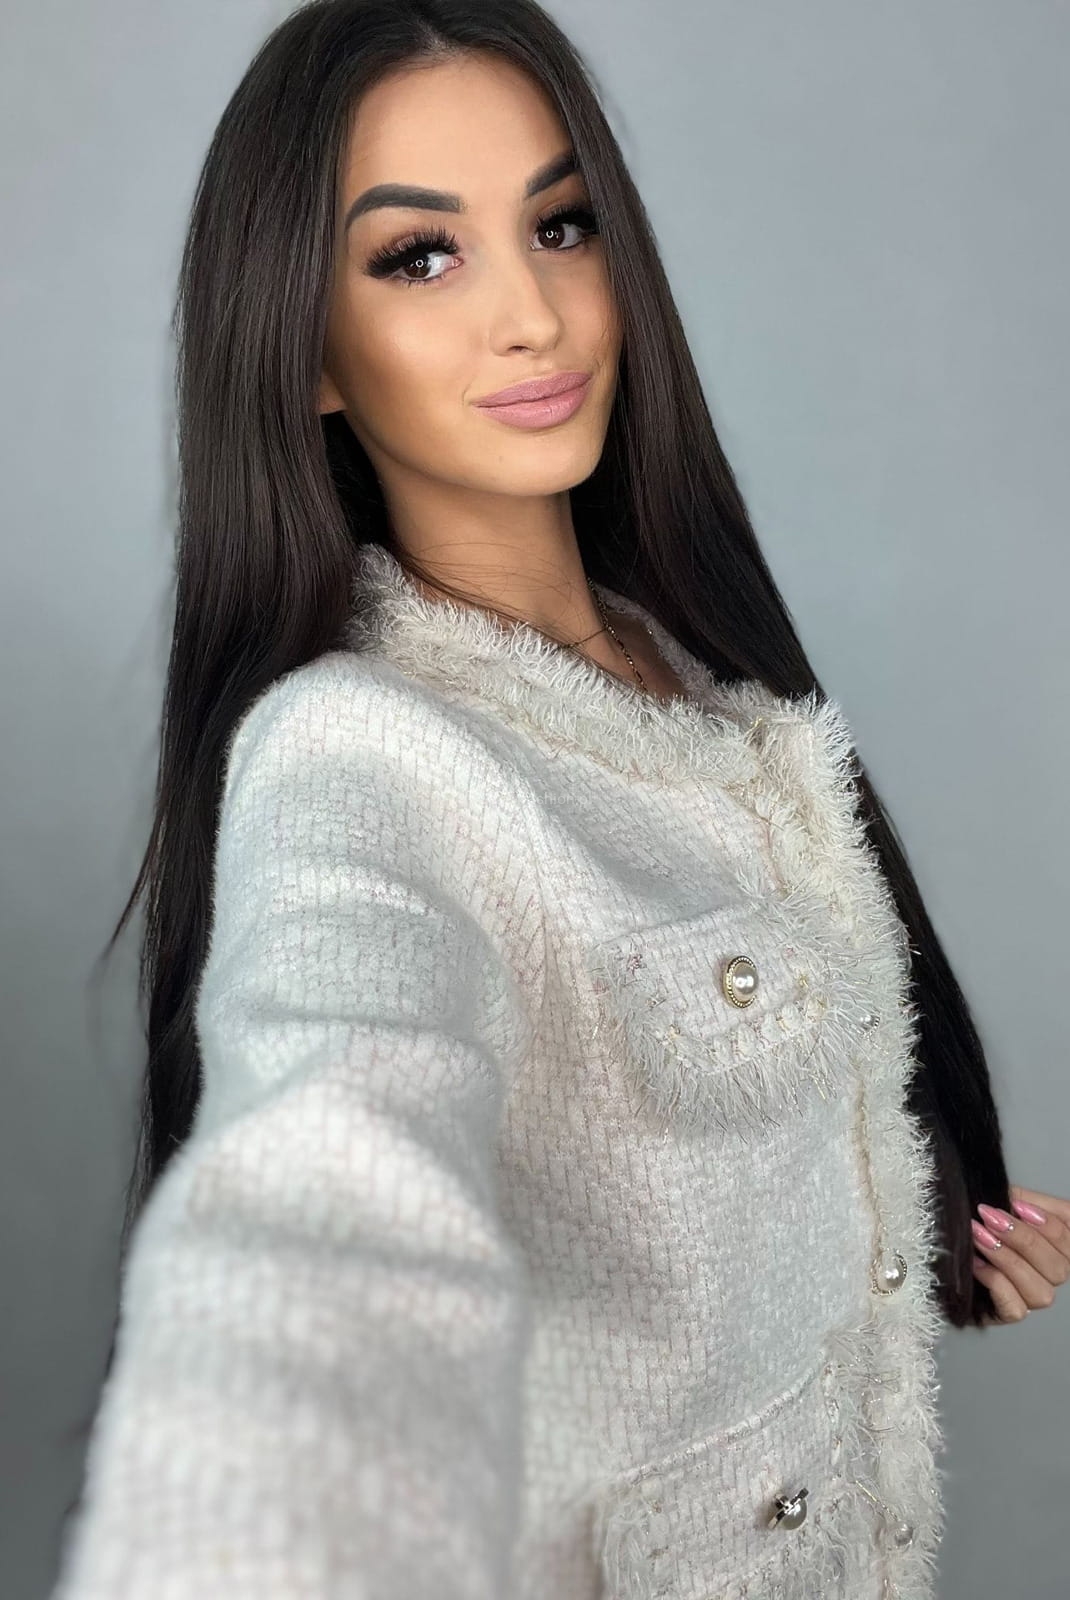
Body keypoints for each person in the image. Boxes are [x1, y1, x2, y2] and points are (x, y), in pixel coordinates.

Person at [52, 2, 1069, 1597]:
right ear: (305, 352)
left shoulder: (708, 687)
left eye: (560, 224)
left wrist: (929, 1220)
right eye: (418, 258)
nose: (532, 315)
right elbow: (327, 1174)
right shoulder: (360, 754)